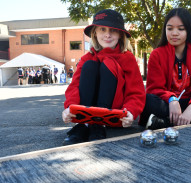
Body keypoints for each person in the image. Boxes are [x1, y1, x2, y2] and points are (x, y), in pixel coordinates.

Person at [62, 9, 146, 145]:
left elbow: (136, 91)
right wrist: (69, 107)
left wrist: (130, 111)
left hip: (114, 115)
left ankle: (98, 124)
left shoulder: (128, 58)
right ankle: (84, 125)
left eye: (112, 30)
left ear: (120, 34)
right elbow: (75, 86)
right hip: (86, 113)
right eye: (102, 29)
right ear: (95, 32)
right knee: (89, 65)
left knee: (109, 63)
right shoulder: (86, 58)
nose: (107, 35)